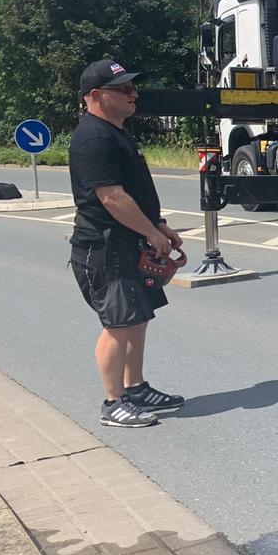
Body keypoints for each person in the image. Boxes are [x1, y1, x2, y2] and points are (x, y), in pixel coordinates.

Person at [68, 59, 186, 428]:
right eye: (122, 89)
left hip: (130, 244)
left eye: (132, 87)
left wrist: (160, 226)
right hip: (106, 248)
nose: (132, 93)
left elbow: (135, 191)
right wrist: (151, 234)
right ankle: (112, 402)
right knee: (118, 325)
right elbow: (112, 198)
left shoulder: (116, 132)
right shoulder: (93, 138)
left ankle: (134, 388)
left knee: (137, 319)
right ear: (94, 96)